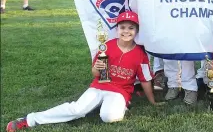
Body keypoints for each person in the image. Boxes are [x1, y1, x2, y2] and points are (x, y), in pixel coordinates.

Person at [6, 11, 160, 132]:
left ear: (136, 31)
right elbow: (95, 74)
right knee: (77, 109)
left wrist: (152, 102)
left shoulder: (140, 54)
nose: (126, 31)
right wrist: (97, 68)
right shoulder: (107, 46)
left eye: (131, 28)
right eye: (123, 27)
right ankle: (30, 119)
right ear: (117, 29)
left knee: (109, 116)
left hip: (120, 91)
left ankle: (119, 105)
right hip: (99, 86)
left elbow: (145, 80)